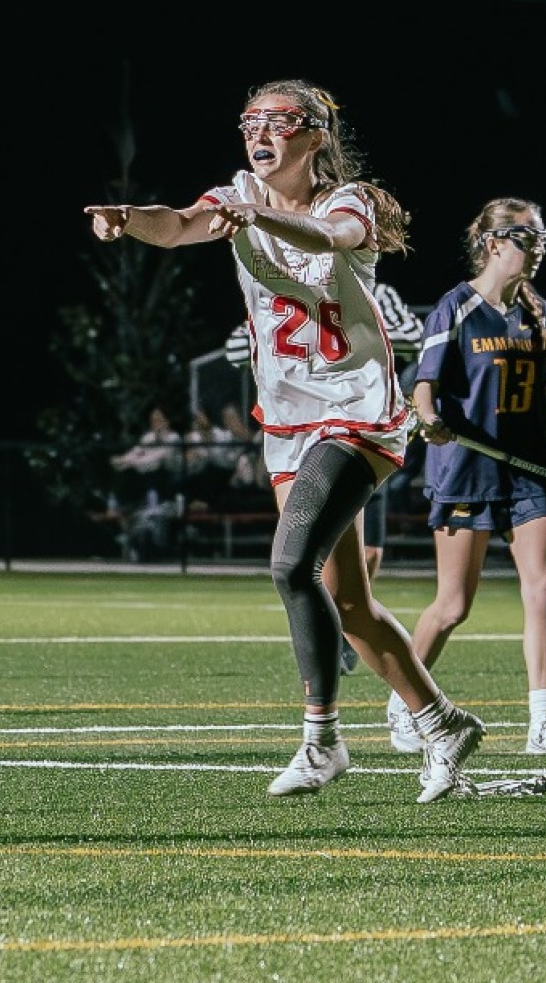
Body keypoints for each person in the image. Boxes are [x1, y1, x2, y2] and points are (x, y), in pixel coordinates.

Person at [85, 78, 485, 803]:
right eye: (249, 122)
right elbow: (177, 224)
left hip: (355, 409)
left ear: (314, 135)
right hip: (287, 419)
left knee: (290, 565)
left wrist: (256, 215)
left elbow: (330, 238)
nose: (258, 134)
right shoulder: (237, 195)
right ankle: (441, 720)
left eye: (276, 121)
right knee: (348, 601)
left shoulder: (348, 201)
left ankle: (322, 740)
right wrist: (128, 218)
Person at [394, 197, 546, 757]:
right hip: (466, 470)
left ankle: (542, 722)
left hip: (529, 472)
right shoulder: (456, 307)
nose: (537, 250)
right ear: (493, 244)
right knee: (453, 606)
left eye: (541, 240)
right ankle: (404, 703)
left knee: (541, 587)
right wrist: (429, 417)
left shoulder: (541, 314)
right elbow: (424, 385)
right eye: (526, 239)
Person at [224, 281, 425, 672]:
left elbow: (413, 337)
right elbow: (234, 349)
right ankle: (334, 644)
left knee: (366, 558)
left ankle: (343, 640)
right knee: (308, 566)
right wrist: (300, 339)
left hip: (362, 425)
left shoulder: (376, 290)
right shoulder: (282, 287)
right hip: (305, 430)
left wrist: (354, 333)